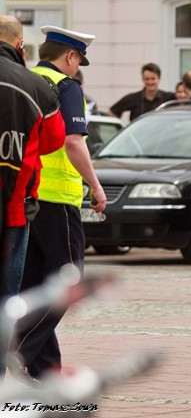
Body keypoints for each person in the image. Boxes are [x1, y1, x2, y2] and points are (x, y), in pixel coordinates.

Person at [15, 25, 107, 380]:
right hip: (58, 199)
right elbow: (73, 142)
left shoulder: (25, 80)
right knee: (70, 281)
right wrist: (95, 186)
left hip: (27, 196)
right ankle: (19, 350)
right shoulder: (67, 87)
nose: (77, 66)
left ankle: (44, 370)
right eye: (79, 60)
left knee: (37, 286)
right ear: (70, 56)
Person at [0, 16, 66, 302]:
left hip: (17, 204)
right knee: (7, 298)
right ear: (20, 45)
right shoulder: (36, 86)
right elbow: (53, 141)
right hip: (15, 205)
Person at [109, 62, 175, 121]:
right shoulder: (133, 98)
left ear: (159, 79)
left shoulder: (168, 97)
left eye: (153, 79)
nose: (150, 82)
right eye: (147, 79)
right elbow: (112, 112)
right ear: (143, 79)